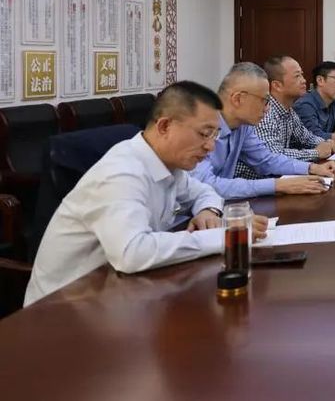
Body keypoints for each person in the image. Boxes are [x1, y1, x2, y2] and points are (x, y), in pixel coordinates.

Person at [24, 81, 269, 306]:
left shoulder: (168, 164)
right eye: (204, 134)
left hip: (114, 294)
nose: (210, 146)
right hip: (61, 309)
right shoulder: (121, 173)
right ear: (164, 126)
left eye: (214, 135)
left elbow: (205, 191)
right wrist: (224, 237)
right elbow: (132, 253)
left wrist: (209, 210)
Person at [192, 63, 335, 199]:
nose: (268, 108)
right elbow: (205, 185)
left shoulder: (243, 126)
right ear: (238, 99)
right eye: (265, 100)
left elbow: (265, 160)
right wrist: (277, 185)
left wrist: (311, 168)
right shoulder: (201, 128)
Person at [235, 55, 335, 179]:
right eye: (297, 76)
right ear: (277, 85)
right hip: (252, 182)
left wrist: (325, 143)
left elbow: (306, 138)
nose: (303, 80)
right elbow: (273, 155)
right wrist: (316, 153)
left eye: (302, 75)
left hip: (273, 179)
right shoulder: (264, 113)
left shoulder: (289, 111)